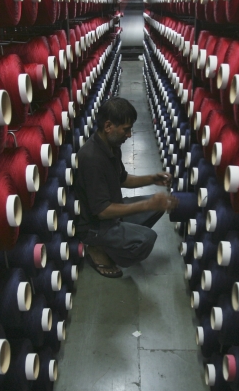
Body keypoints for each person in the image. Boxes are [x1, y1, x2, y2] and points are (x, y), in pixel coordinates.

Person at [74, 97, 177, 278]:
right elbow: (103, 211)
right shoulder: (91, 159)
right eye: (126, 129)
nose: (129, 135)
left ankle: (115, 239)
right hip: (95, 226)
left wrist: (152, 179)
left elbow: (122, 179)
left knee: (157, 208)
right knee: (147, 238)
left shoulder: (112, 146)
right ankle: (98, 249)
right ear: (108, 126)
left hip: (113, 214)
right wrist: (147, 205)